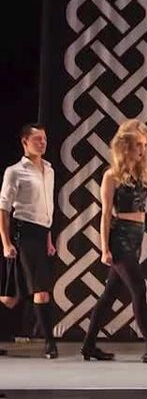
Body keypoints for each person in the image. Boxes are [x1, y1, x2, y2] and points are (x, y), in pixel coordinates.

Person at [79, 119, 147, 362]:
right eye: (138, 145)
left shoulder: (140, 172)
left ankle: (88, 346)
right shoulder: (111, 175)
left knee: (110, 294)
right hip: (120, 236)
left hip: (136, 235)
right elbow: (105, 215)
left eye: (144, 145)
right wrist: (104, 248)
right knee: (139, 288)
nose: (142, 150)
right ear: (126, 147)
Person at [0, 124, 59, 359]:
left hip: (41, 234)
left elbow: (46, 209)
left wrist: (49, 238)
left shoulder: (49, 169)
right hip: (22, 234)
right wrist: (6, 243)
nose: (42, 143)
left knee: (11, 298)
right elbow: (4, 209)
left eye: (44, 139)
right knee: (41, 290)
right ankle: (50, 344)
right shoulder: (14, 171)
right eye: (37, 139)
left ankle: (49, 342)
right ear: (25, 142)